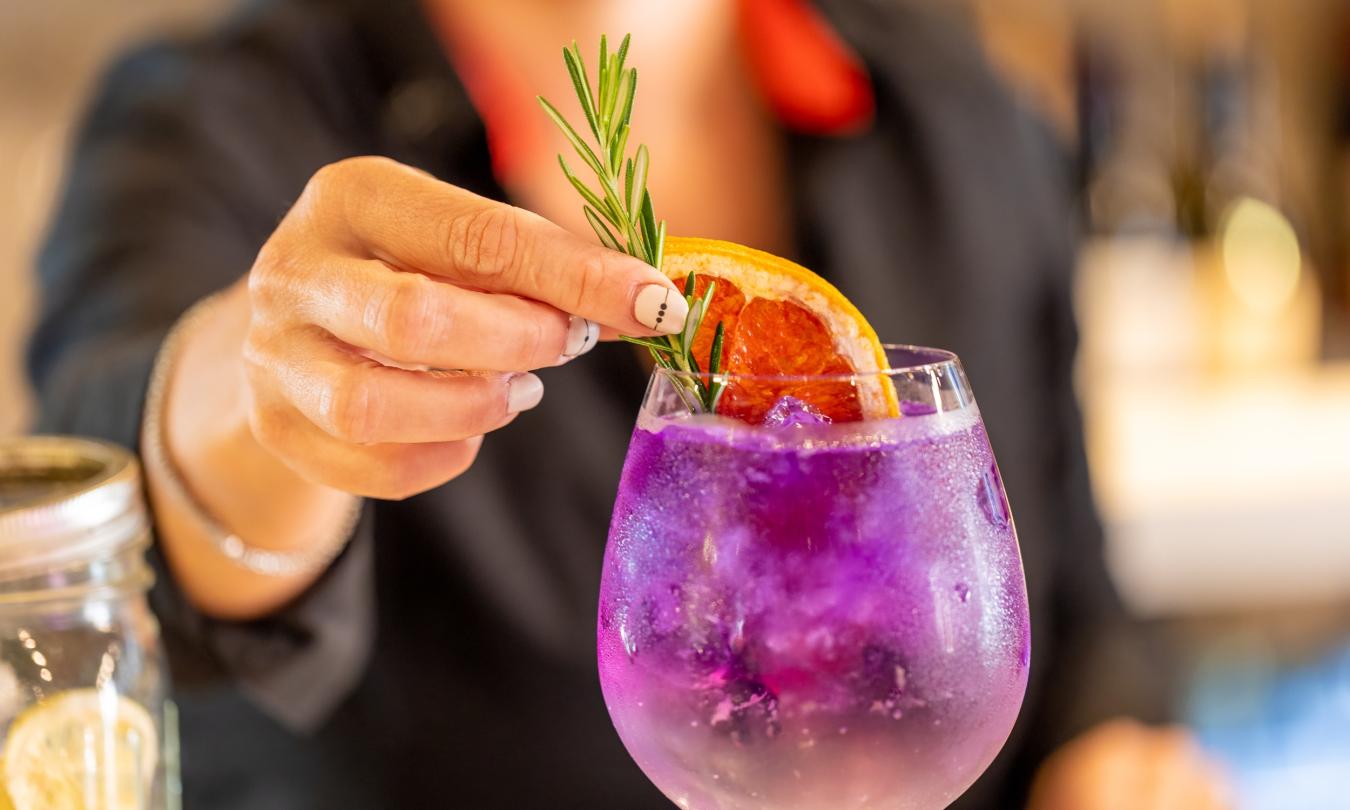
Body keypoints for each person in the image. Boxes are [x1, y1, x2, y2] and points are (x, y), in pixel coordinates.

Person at [27, 0, 1228, 806]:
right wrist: (270, 386)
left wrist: (1116, 753)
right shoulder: (221, 115)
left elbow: (1072, 605)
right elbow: (109, 508)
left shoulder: (954, 108)